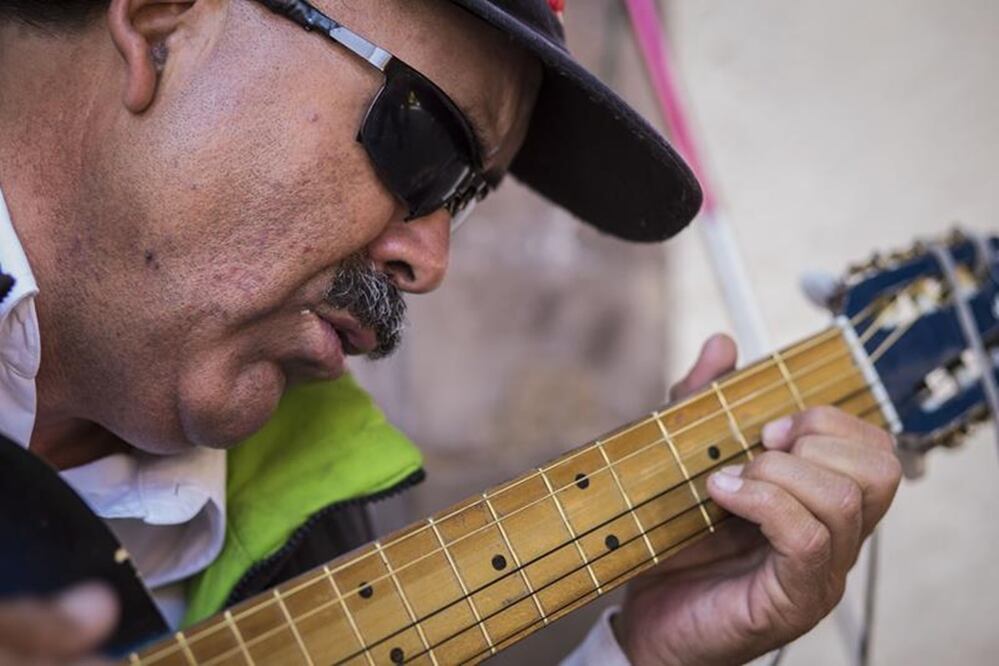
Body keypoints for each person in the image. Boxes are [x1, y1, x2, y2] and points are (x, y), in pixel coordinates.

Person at [0, 0, 902, 663]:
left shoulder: (316, 537)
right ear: (163, 21)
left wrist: (636, 657)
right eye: (425, 145)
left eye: (466, 201)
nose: (430, 262)